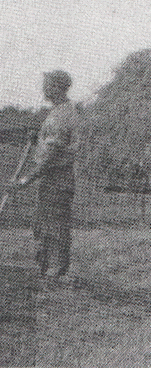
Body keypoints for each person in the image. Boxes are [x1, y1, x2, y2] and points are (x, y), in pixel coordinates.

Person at [17, 70, 79, 278]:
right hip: (52, 176)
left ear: (57, 87)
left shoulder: (62, 115)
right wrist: (38, 139)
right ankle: (47, 268)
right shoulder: (58, 111)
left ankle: (55, 270)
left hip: (57, 176)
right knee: (46, 221)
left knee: (55, 223)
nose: (44, 89)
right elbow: (50, 145)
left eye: (47, 85)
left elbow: (52, 154)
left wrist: (28, 178)